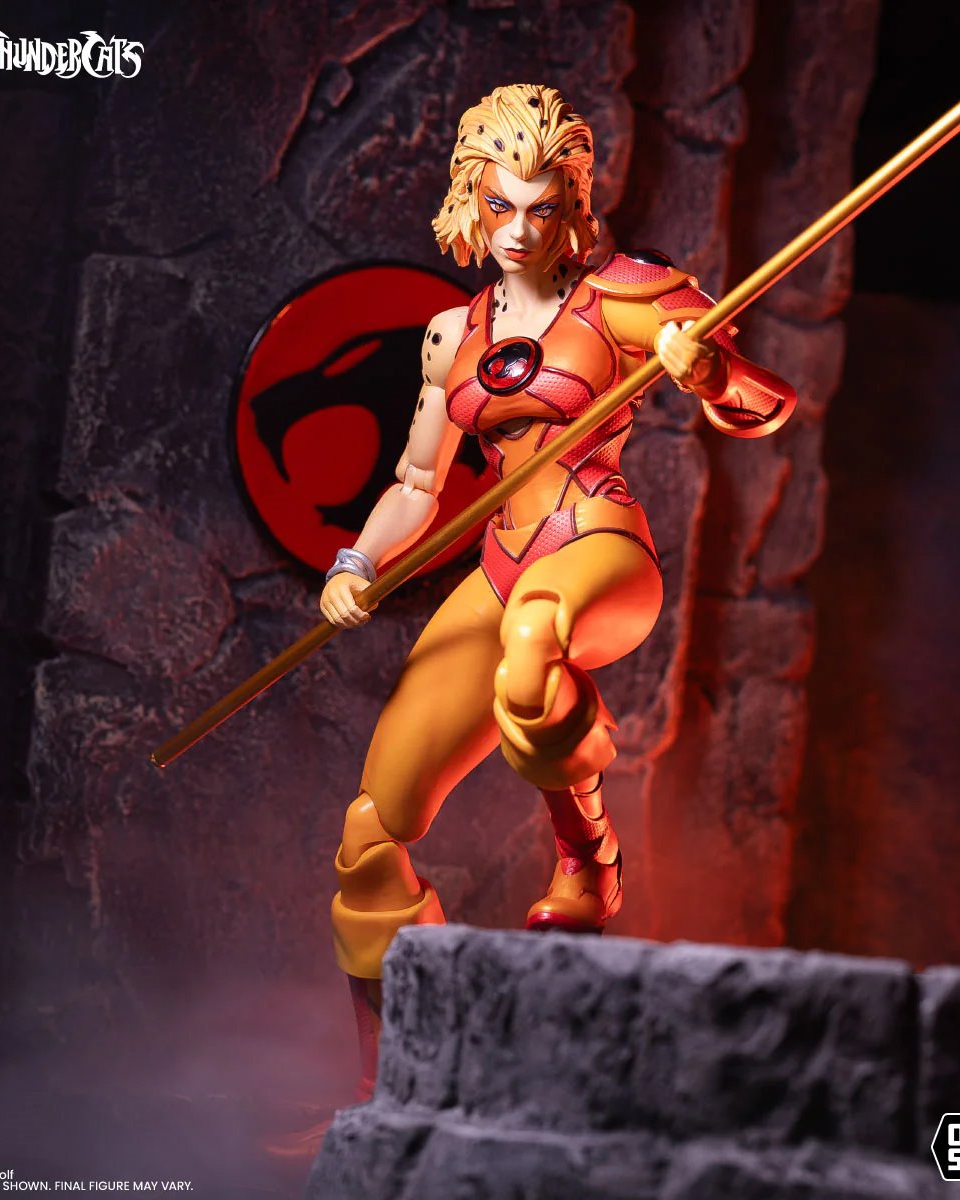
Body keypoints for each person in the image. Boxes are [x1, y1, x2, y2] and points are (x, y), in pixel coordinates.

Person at [318, 83, 796, 1098]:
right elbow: (417, 488)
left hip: (594, 544)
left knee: (534, 644)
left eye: (544, 208)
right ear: (472, 197)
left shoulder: (628, 295)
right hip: (500, 563)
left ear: (573, 203)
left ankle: (588, 860)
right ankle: (398, 1081)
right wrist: (358, 565)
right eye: (501, 206)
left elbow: (765, 403)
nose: (522, 230)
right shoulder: (452, 335)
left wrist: (702, 371)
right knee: (368, 839)